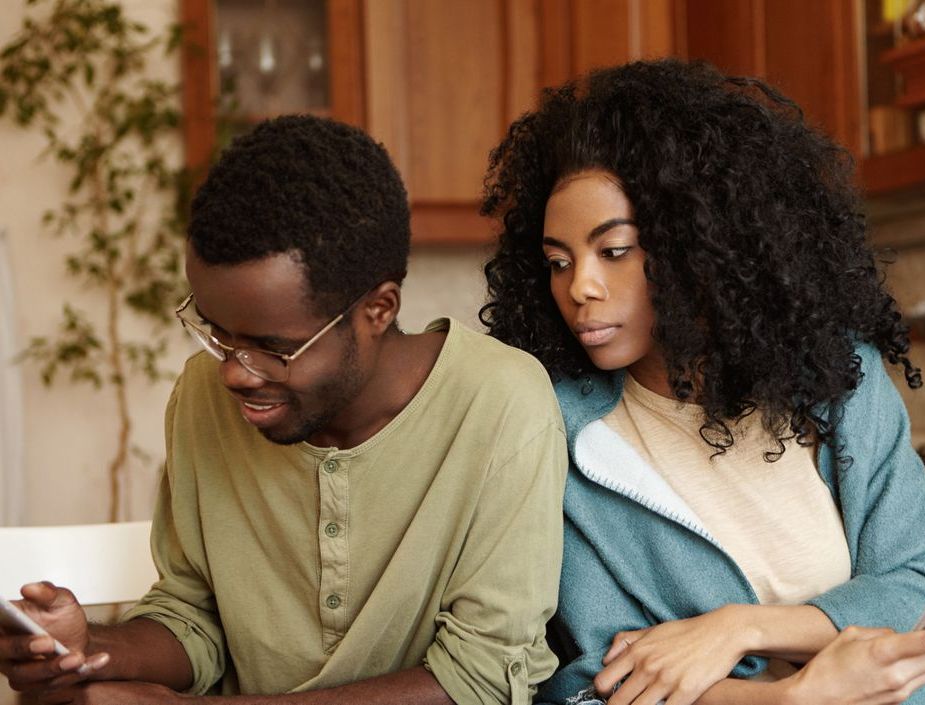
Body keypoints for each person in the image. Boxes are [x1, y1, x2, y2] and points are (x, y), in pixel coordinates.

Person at [479, 59, 925, 705]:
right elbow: (598, 686)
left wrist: (736, 629)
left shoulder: (840, 381)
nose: (579, 287)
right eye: (558, 261)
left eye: (613, 251)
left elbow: (923, 575)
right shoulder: (559, 434)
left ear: (701, 246)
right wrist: (796, 697)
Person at [0, 116, 568, 705]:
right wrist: (90, 649)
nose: (234, 373)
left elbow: (479, 681)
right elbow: (195, 619)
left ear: (377, 310)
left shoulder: (501, 405)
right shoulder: (202, 398)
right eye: (216, 334)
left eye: (273, 349)